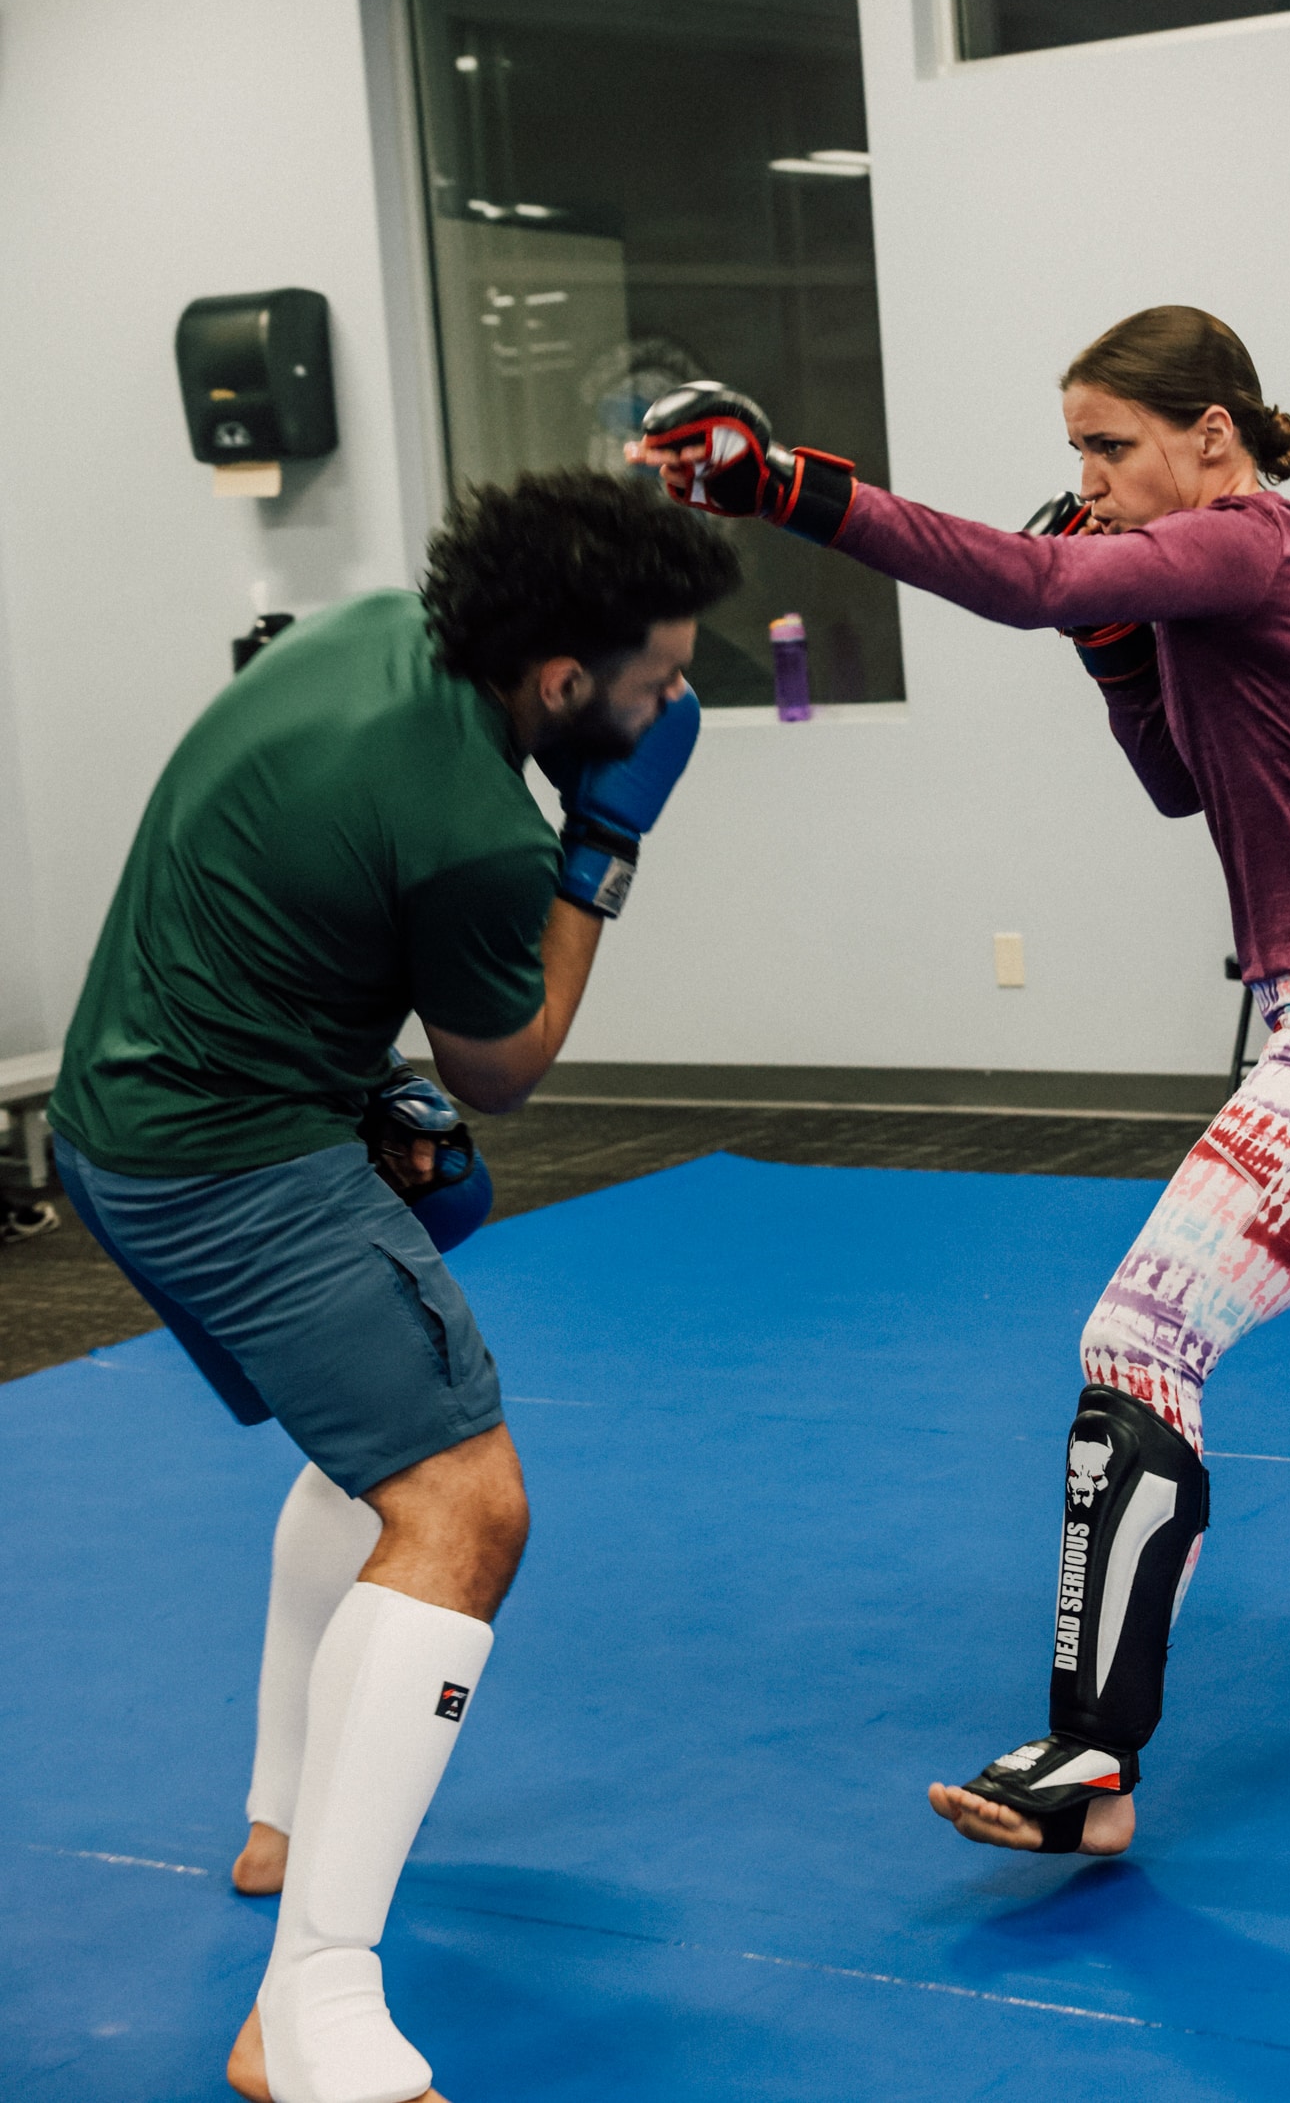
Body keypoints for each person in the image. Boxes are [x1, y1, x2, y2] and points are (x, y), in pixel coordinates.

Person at [630, 307, 1290, 1862]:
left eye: (1112, 447)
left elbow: (1034, 576)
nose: (1092, 483)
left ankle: (1089, 1762)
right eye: (1077, 455)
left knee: (1143, 1331)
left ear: (1214, 435)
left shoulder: (1259, 543)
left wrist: (787, 486)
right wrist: (1116, 658)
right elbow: (1179, 776)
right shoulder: (1208, 594)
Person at [48, 469, 739, 2103]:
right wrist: (608, 846)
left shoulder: (361, 630)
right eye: (653, 680)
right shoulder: (485, 825)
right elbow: (506, 1067)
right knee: (463, 1507)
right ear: (563, 685)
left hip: (130, 1107)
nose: (675, 701)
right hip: (225, 1159)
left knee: (375, 1434)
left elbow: (296, 886)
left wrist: (361, 1087)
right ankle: (313, 2009)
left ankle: (284, 1815)